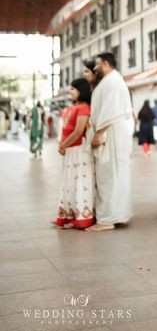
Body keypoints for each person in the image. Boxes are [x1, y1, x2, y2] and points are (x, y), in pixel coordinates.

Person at [86, 52, 134, 232]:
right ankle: (119, 214)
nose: (95, 68)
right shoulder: (112, 80)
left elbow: (110, 110)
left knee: (108, 174)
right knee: (117, 174)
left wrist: (99, 133)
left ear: (105, 63)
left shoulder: (112, 81)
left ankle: (106, 219)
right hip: (115, 132)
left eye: (97, 64)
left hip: (110, 133)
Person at [54, 78, 95, 229]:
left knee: (79, 184)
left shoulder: (84, 108)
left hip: (78, 151)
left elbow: (78, 131)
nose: (70, 91)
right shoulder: (74, 107)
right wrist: (63, 145)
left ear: (81, 91)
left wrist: (63, 145)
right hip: (70, 151)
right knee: (69, 184)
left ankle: (82, 217)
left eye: (73, 89)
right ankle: (69, 215)